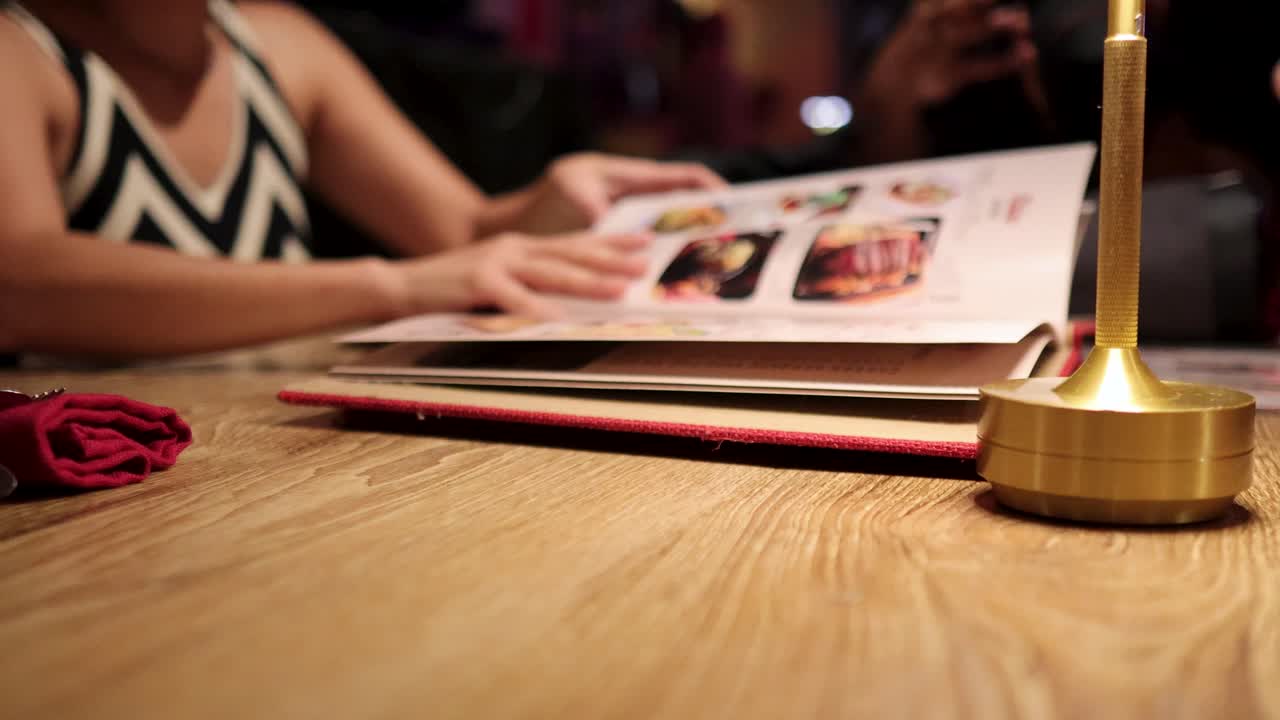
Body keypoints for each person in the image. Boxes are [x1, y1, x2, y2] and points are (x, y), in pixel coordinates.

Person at [0, 0, 725, 361]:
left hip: (262, 433)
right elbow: (20, 283)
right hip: (95, 477)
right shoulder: (21, 49)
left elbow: (464, 235)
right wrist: (393, 286)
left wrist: (552, 200)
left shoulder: (282, 41)